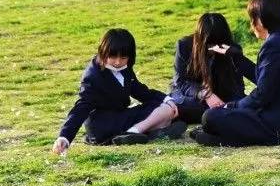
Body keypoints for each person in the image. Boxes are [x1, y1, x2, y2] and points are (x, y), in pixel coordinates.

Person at [191, 0, 280, 147]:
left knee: (210, 117)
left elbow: (262, 95)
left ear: (260, 20)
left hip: (279, 125)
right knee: (219, 115)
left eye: (252, 19)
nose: (251, 25)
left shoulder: (273, 45)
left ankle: (219, 138)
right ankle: (218, 135)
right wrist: (237, 57)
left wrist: (231, 106)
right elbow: (264, 80)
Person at [52, 28, 185, 155]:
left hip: (120, 117)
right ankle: (136, 132)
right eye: (113, 57)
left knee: (165, 108)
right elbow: (81, 107)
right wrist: (65, 136)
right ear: (103, 52)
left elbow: (140, 92)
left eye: (123, 58)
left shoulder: (125, 68)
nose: (117, 62)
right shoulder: (93, 76)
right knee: (163, 112)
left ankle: (149, 132)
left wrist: (167, 99)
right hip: (103, 125)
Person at [169, 13, 255, 124]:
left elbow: (237, 87)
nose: (213, 48)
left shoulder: (232, 51)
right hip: (192, 96)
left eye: (217, 44)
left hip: (222, 99)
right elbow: (180, 81)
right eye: (209, 44)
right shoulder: (184, 46)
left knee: (244, 105)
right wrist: (206, 94)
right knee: (177, 105)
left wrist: (231, 104)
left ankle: (219, 115)